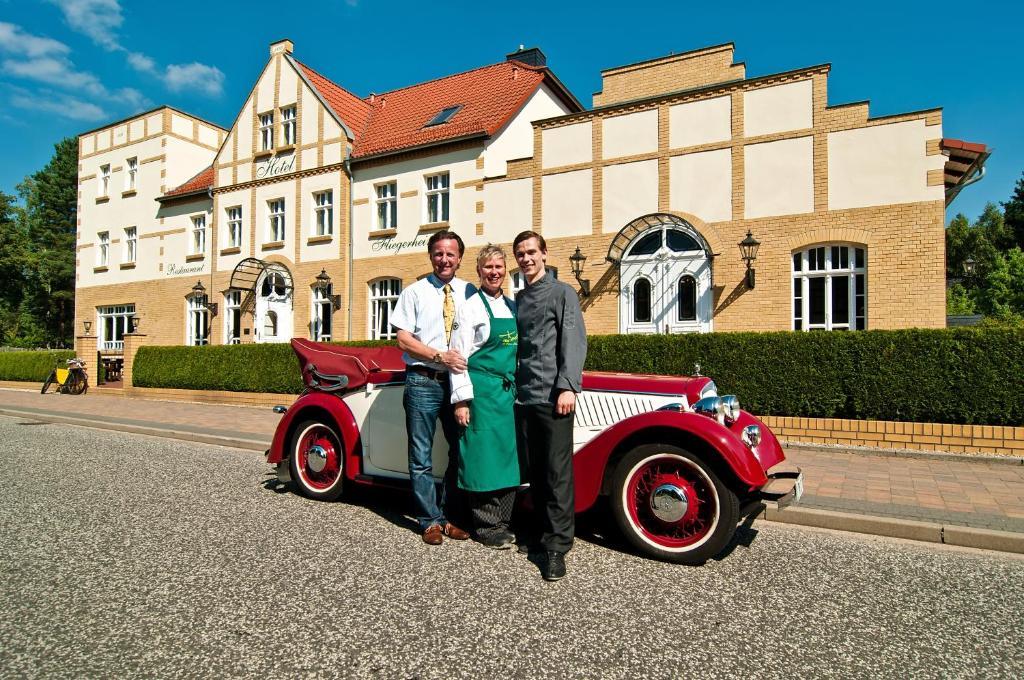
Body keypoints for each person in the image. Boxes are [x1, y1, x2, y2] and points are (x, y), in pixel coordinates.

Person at [512, 230, 587, 581]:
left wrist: (568, 386)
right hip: (524, 397)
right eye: (520, 254)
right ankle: (541, 535)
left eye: (531, 252)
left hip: (554, 396)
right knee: (535, 473)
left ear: (544, 254)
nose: (526, 259)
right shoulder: (519, 297)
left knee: (557, 474)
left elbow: (573, 341)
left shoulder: (563, 293)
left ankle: (557, 547)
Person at [390, 230, 472, 545]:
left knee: (460, 450)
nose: (444, 259)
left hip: (456, 383)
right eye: (439, 253)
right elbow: (403, 339)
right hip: (423, 380)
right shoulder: (414, 292)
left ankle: (448, 516)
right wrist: (439, 355)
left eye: (450, 254)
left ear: (459, 258)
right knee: (421, 455)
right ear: (431, 256)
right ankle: (429, 521)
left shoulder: (469, 292)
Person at [449, 245, 521, 550]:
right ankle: (486, 526)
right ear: (479, 271)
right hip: (480, 393)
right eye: (488, 267)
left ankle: (504, 521)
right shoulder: (469, 308)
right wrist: (461, 401)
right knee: (482, 460)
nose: (494, 272)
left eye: (499, 267)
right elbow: (457, 357)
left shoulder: (512, 306)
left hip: (506, 394)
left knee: (506, 460)